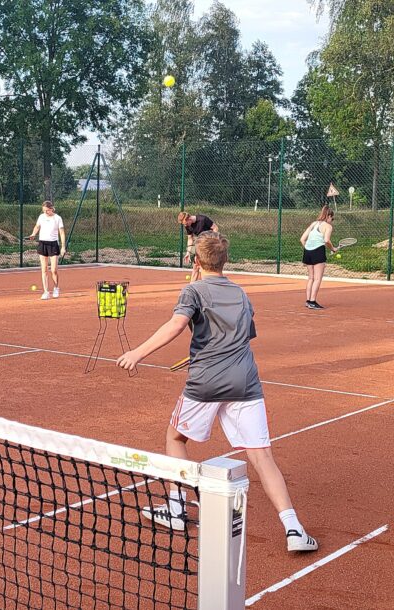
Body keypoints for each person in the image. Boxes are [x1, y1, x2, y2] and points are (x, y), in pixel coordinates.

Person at [116, 231, 318, 553]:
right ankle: (293, 528)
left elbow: (176, 325)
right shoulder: (241, 293)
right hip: (244, 381)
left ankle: (177, 507)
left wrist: (137, 353)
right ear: (226, 260)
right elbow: (242, 335)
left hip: (206, 381)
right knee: (262, 456)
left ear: (195, 260)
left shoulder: (192, 290)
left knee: (175, 438)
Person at [299, 205, 339, 309]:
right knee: (317, 278)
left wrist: (309, 248)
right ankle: (312, 301)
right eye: (332, 218)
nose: (332, 221)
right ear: (329, 216)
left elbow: (302, 239)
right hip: (318, 252)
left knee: (311, 278)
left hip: (307, 252)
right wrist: (333, 249)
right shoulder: (328, 226)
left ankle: (308, 301)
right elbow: (326, 240)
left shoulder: (313, 224)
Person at [27, 200, 66, 299]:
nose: (45, 212)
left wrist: (63, 247)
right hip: (42, 243)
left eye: (47, 210)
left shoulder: (57, 218)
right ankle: (46, 292)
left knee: (54, 270)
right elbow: (37, 227)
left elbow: (62, 233)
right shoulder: (41, 217)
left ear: (51, 209)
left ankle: (56, 288)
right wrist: (33, 234)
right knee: (44, 270)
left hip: (53, 244)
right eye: (44, 210)